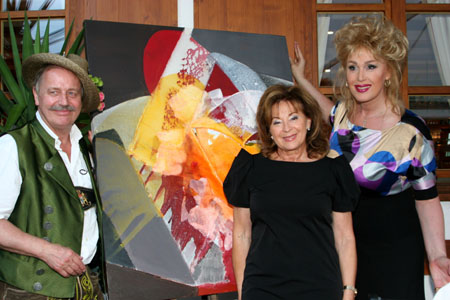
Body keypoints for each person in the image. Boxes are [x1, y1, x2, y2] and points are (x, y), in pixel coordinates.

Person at [290, 16, 450, 300]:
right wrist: (301, 78)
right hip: (342, 243)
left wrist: (437, 256)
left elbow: (427, 202)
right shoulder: (343, 116)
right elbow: (325, 107)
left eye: (370, 66)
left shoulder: (412, 131)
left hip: (394, 250)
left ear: (388, 72)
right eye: (352, 67)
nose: (360, 77)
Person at [223, 84, 360, 300]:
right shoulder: (249, 168)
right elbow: (241, 234)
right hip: (262, 289)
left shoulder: (333, 169)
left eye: (293, 118)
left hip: (320, 287)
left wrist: (348, 291)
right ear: (268, 130)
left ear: (309, 121)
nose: (286, 128)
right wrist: (242, 293)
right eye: (277, 122)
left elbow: (344, 237)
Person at [0, 53, 105, 299]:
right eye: (54, 92)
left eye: (72, 93)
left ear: (81, 100)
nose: (64, 101)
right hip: (29, 289)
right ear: (37, 96)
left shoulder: (87, 149)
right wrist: (47, 251)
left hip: (86, 285)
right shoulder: (12, 146)